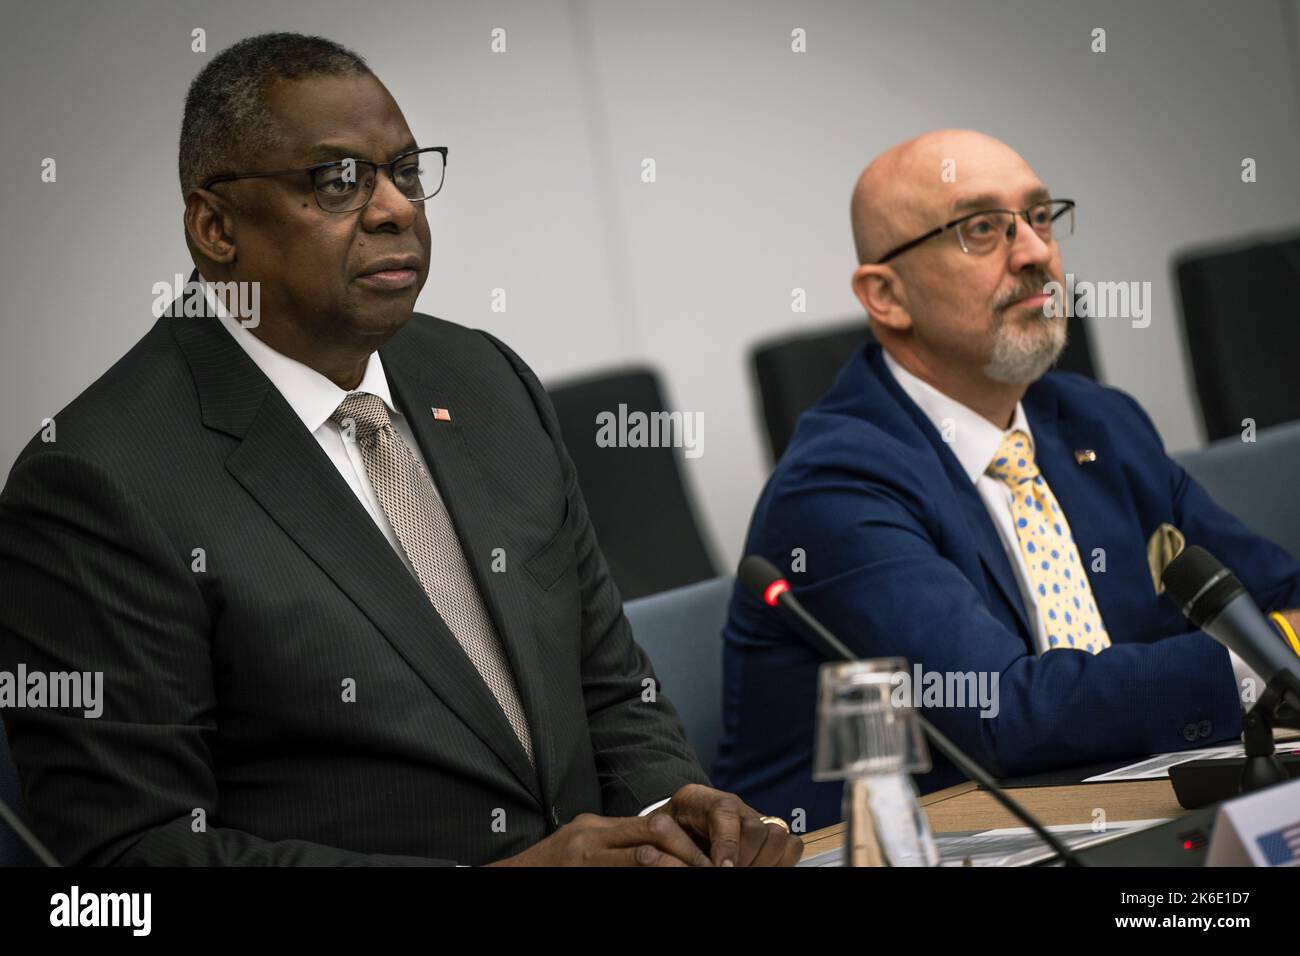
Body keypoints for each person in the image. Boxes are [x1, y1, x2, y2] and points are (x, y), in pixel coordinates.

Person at [0, 32, 800, 867]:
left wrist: (673, 814)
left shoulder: (486, 379)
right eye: (338, 180)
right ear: (215, 226)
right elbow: (129, 860)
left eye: (407, 172)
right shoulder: (98, 483)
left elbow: (607, 687)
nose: (396, 209)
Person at [713, 129, 1300, 831]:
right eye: (982, 228)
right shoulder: (836, 484)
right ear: (887, 296)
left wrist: (1276, 639)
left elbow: (1272, 593)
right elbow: (999, 715)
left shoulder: (1097, 424)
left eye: (1041, 217)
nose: (1035, 254)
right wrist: (1264, 662)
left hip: (1115, 817)